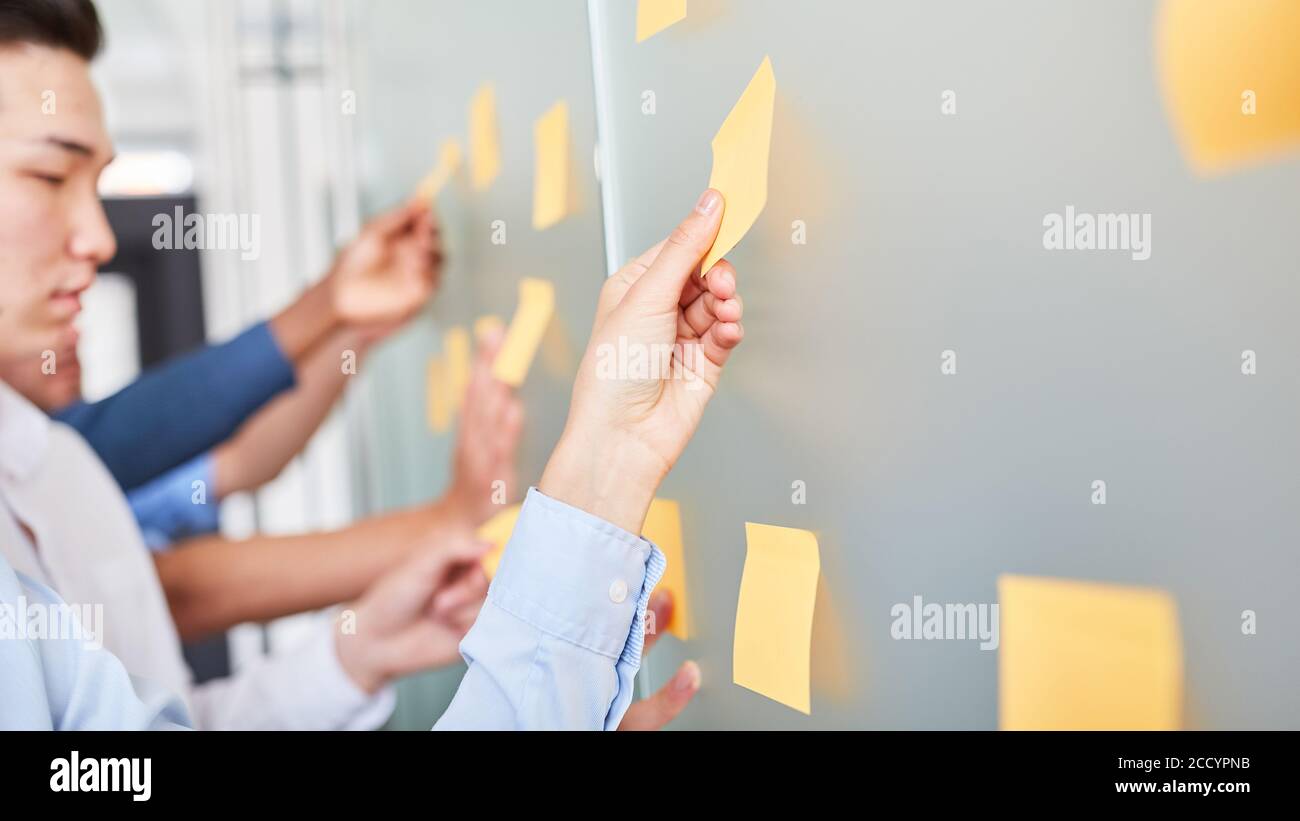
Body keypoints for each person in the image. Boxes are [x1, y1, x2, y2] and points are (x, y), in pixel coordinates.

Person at [0, 0, 741, 730]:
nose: (98, 238)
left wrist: (357, 655)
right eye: (47, 176)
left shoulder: (53, 467)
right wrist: (599, 467)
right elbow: (174, 559)